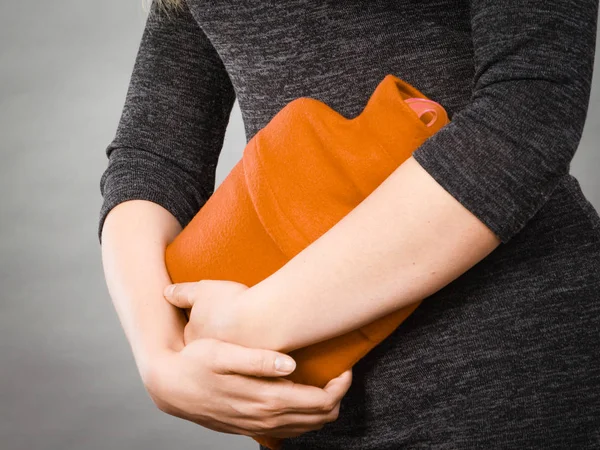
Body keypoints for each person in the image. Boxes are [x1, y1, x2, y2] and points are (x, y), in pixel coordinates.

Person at [98, 0, 600, 448]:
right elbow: (155, 155)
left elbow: (527, 113)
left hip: (515, 370)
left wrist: (254, 323)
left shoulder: (257, 327)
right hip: (307, 405)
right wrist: (160, 358)